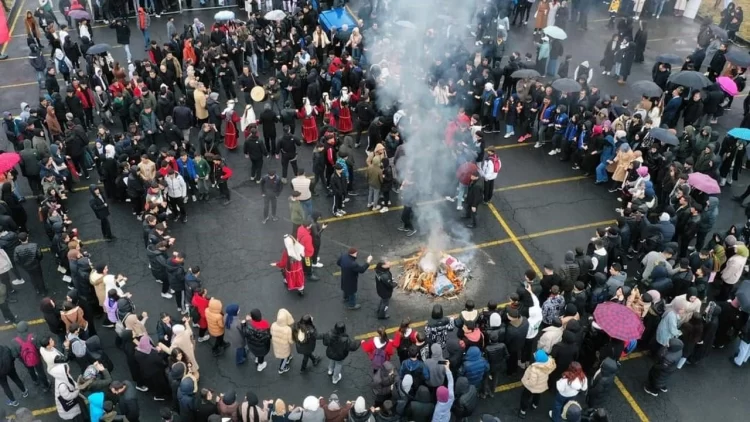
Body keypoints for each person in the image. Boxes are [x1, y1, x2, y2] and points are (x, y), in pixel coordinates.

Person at [271, 308, 295, 375]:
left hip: (277, 345)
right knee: (284, 357)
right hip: (284, 347)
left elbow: (271, 333)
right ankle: (281, 369)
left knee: (285, 355)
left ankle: (288, 358)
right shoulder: (287, 329)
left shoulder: (273, 325)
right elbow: (290, 341)